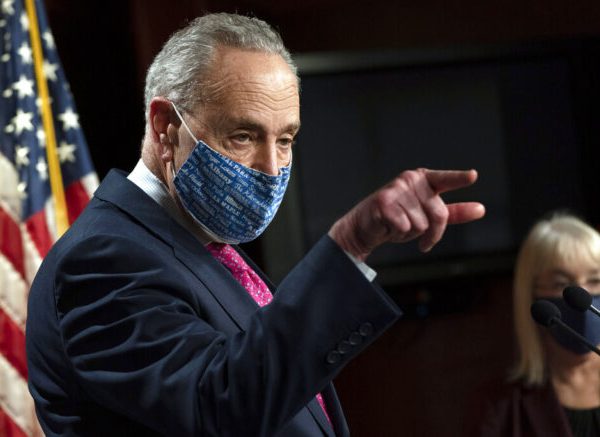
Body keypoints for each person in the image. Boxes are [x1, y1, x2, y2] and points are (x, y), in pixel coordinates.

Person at [26, 12, 485, 436]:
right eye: (243, 135)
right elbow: (221, 407)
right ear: (165, 126)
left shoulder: (203, 242)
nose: (271, 167)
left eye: (285, 139)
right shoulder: (104, 259)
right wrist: (349, 244)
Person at [467, 213, 600, 437]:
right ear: (532, 296)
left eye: (595, 280)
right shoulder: (500, 406)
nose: (582, 296)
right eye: (561, 284)